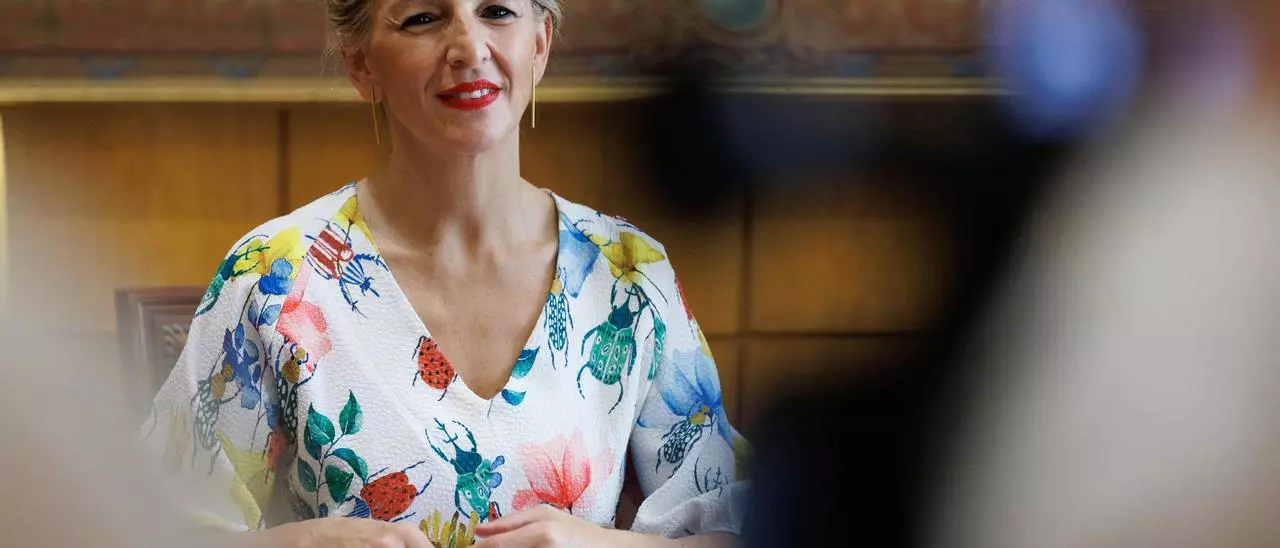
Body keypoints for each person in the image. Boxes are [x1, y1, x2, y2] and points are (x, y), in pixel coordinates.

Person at [141, 1, 746, 546]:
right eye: (423, 18)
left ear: (540, 43)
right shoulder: (274, 275)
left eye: (497, 12)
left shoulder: (628, 274)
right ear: (361, 65)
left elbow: (740, 524)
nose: (469, 48)